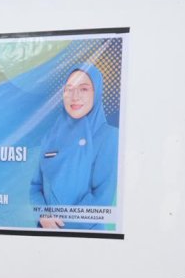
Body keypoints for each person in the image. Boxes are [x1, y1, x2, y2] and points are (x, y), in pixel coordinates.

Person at [29, 63, 118, 230]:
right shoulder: (50, 137)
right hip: (46, 233)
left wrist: (61, 227)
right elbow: (35, 187)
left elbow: (102, 197)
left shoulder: (108, 135)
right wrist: (43, 215)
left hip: (86, 236)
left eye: (83, 89)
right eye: (69, 89)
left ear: (97, 93)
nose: (74, 96)